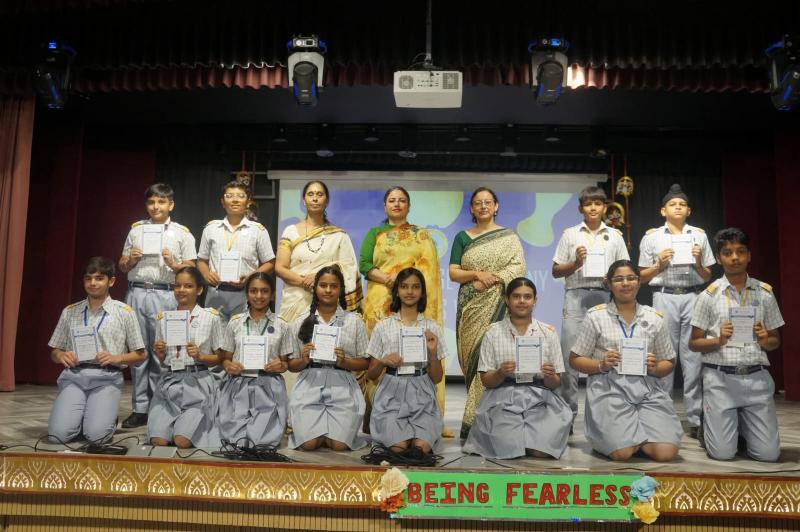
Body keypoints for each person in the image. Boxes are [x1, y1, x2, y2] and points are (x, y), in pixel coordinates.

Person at [569, 260, 682, 462]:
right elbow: (575, 359)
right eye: (618, 279)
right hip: (609, 388)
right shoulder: (596, 316)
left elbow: (669, 362)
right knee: (622, 453)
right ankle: (620, 437)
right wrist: (601, 365)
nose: (625, 283)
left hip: (647, 388)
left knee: (666, 453)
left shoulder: (655, 317)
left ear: (639, 282)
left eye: (631, 278)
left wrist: (655, 367)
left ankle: (632, 435)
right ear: (609, 284)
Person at [689, 228, 784, 462]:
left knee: (768, 455)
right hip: (721, 379)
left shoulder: (764, 293)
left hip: (756, 378)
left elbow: (775, 341)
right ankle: (709, 424)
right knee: (722, 454)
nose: (734, 257)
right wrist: (718, 340)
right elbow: (694, 343)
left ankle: (741, 427)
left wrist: (765, 339)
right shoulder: (708, 296)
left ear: (749, 255)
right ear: (719, 258)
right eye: (727, 253)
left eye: (741, 252)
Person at [359, 186, 448, 436]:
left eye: (401, 200)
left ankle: (419, 412)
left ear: (408, 206)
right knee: (381, 357)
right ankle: (378, 417)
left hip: (412, 301)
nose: (396, 204)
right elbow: (364, 264)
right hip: (380, 304)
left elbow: (429, 272)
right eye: (392, 200)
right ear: (385, 206)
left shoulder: (422, 235)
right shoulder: (375, 233)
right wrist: (390, 280)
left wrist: (407, 288)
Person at [463, 277, 572, 460]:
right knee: (509, 448)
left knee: (541, 451)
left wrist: (549, 375)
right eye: (516, 296)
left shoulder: (548, 333)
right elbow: (486, 380)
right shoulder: (493, 332)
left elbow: (555, 383)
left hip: (541, 397)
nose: (522, 301)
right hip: (503, 396)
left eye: (527, 297)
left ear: (535, 301)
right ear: (507, 300)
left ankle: (532, 437)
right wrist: (500, 373)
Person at [117, 183, 197, 429]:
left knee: (163, 351)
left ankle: (162, 405)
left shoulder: (182, 233)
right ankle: (140, 408)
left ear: (171, 205)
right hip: (138, 292)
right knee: (140, 352)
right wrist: (130, 260)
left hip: (167, 294)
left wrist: (174, 264)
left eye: (161, 202)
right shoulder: (136, 230)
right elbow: (121, 265)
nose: (156, 206)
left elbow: (192, 267)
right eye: (151, 202)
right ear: (146, 205)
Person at [638, 184, 714, 438]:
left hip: (693, 295)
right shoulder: (652, 237)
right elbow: (641, 277)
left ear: (689, 210)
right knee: (664, 356)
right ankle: (663, 415)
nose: (678, 208)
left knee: (693, 359)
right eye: (673, 204)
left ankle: (695, 419)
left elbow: (707, 275)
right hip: (664, 296)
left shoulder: (699, 236)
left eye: (682, 204)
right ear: (663, 210)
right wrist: (659, 265)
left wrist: (698, 262)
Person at [449, 187, 526, 439]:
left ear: (496, 206)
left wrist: (494, 279)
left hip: (499, 304)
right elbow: (453, 272)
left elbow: (518, 267)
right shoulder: (462, 237)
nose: (483, 206)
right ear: (471, 208)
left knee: (492, 359)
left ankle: (487, 422)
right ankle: (478, 422)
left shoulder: (509, 237)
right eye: (478, 203)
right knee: (472, 363)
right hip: (470, 307)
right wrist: (477, 274)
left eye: (488, 202)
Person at [47, 257, 146, 443]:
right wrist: (61, 355)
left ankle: (102, 419)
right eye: (88, 278)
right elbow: (54, 351)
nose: (93, 283)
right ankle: (83, 418)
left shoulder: (125, 312)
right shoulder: (70, 311)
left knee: (97, 436)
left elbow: (141, 355)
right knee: (57, 436)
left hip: (107, 378)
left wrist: (116, 358)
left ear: (111, 281)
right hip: (74, 377)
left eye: (99, 278)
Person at [552, 185, 629, 424]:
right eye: (588, 204)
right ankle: (567, 416)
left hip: (605, 296)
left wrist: (612, 277)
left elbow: (625, 270)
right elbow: (555, 270)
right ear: (580, 208)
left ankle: (606, 414)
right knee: (569, 358)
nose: (593, 208)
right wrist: (575, 264)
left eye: (597, 203)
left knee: (606, 356)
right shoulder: (570, 234)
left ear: (604, 207)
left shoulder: (615, 236)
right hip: (576, 296)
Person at [287, 266, 370, 451]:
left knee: (339, 445)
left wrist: (345, 362)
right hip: (310, 384)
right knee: (309, 445)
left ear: (341, 289)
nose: (328, 290)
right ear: (315, 287)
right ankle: (318, 431)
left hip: (343, 386)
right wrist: (304, 360)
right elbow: (291, 365)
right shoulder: (300, 321)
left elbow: (366, 361)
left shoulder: (354, 321)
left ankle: (329, 432)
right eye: (323, 285)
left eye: (334, 286)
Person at [366, 268, 446, 455]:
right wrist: (383, 361)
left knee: (420, 449)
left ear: (422, 292)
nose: (410, 292)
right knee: (398, 448)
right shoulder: (383, 326)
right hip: (391, 393)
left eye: (415, 287)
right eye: (404, 286)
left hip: (422, 393)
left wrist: (432, 353)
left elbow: (436, 378)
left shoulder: (432, 327)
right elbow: (371, 374)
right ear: (397, 291)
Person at [148, 266, 223, 448]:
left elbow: (220, 358)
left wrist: (201, 356)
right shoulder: (163, 319)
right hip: (170, 381)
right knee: (159, 441)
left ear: (199, 290)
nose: (181, 290)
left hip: (198, 383)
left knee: (181, 441)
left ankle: (187, 426)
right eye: (178, 285)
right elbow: (163, 361)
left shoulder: (211, 317)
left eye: (188, 286)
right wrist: (160, 354)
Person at [218, 273, 292, 447]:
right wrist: (229, 366)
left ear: (272, 295)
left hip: (269, 385)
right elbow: (225, 359)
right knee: (236, 443)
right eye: (254, 291)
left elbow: (285, 363)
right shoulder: (235, 322)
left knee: (260, 444)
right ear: (247, 294)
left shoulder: (282, 324)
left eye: (264, 291)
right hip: (238, 384)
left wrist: (281, 365)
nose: (259, 296)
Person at [276, 180, 361, 323]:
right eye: (310, 194)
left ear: (326, 201)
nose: (315, 198)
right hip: (295, 300)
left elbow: (349, 267)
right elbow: (280, 268)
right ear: (304, 201)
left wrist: (319, 279)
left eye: (319, 194)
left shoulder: (339, 235)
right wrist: (307, 283)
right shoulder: (290, 231)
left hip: (328, 302)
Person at [197, 180, 276, 323]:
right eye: (229, 196)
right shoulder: (211, 228)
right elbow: (201, 260)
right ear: (222, 202)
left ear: (248, 202)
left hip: (245, 294)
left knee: (242, 334)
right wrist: (206, 274)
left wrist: (251, 277)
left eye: (240, 196)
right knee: (214, 335)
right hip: (216, 292)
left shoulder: (258, 230)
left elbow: (270, 263)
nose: (235, 200)